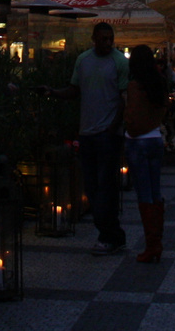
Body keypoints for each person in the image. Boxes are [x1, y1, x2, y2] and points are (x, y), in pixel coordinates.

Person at [47, 22, 129, 254]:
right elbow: (75, 89)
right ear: (94, 38)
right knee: (92, 187)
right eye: (103, 38)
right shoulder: (83, 60)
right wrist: (53, 92)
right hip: (87, 132)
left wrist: (113, 127)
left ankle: (107, 235)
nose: (107, 43)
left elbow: (124, 98)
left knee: (106, 186)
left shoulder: (120, 62)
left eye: (110, 38)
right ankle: (113, 234)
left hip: (107, 134)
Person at [123, 45, 167, 263]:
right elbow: (162, 109)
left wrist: (129, 127)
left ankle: (152, 244)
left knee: (144, 194)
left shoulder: (135, 85)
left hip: (137, 142)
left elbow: (131, 115)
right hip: (155, 139)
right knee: (155, 192)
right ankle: (156, 241)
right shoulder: (158, 83)